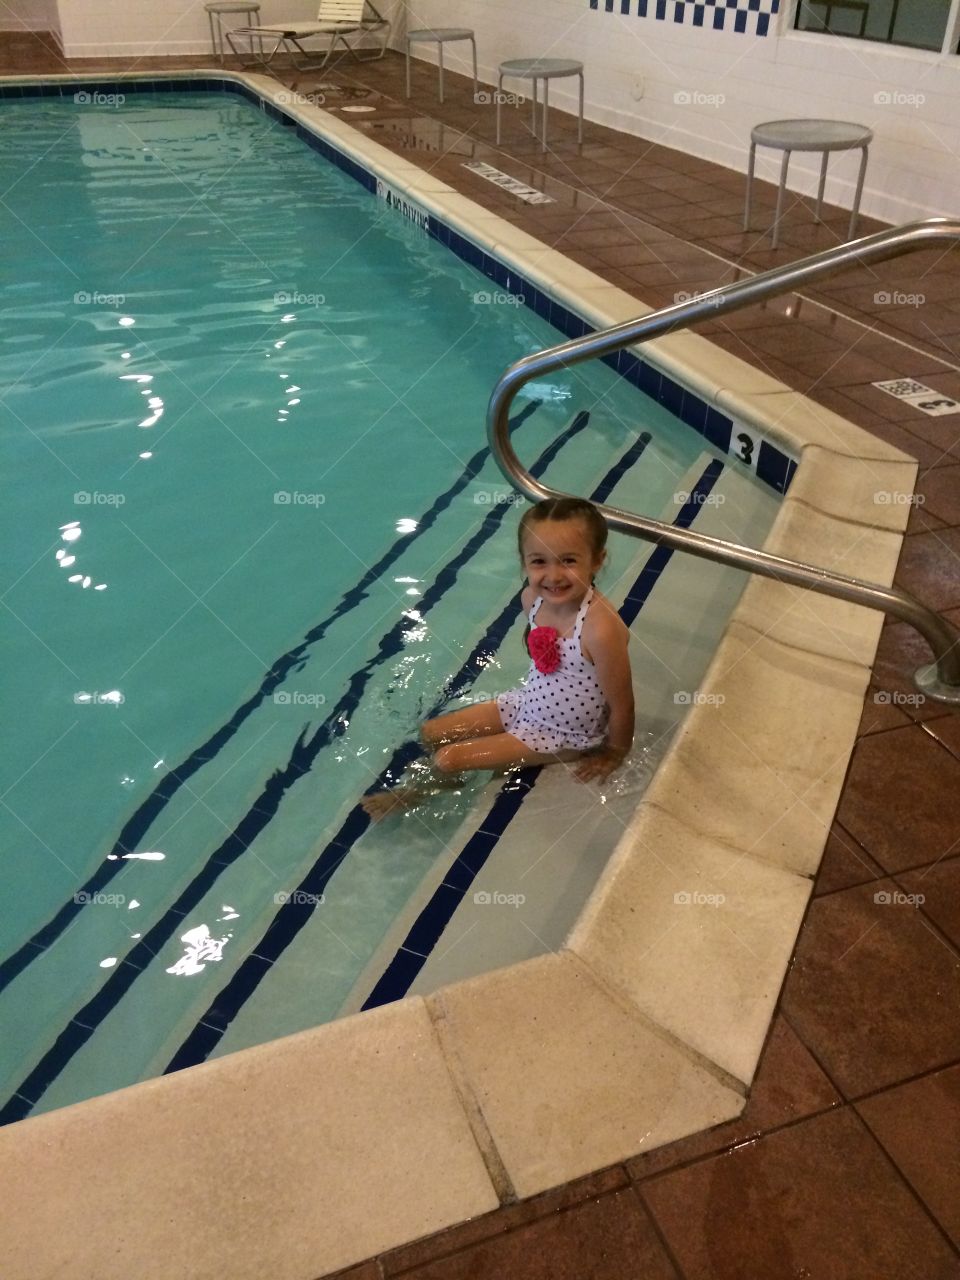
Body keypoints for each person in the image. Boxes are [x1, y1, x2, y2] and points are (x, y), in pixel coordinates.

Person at [361, 496, 634, 821]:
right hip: (526, 704)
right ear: (524, 563)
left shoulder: (599, 630)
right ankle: (452, 780)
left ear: (597, 560)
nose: (553, 575)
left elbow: (623, 704)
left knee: (448, 758)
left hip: (565, 734)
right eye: (539, 562)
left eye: (569, 560)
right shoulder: (532, 599)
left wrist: (615, 752)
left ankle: (420, 792)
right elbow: (537, 648)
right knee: (431, 733)